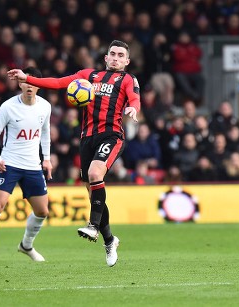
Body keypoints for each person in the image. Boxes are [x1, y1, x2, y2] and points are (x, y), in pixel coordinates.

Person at [8, 40, 141, 267]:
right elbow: (58, 82)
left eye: (121, 55)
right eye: (113, 54)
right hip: (87, 139)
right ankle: (109, 240)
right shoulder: (88, 75)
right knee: (94, 192)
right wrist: (27, 78)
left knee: (96, 173)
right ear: (106, 58)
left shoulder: (127, 79)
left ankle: (92, 226)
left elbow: (134, 97)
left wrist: (133, 108)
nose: (116, 58)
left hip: (111, 135)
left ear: (127, 61)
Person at [0, 67, 52, 264]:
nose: (29, 86)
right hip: (10, 164)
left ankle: (26, 245)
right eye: (25, 82)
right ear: (20, 83)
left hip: (33, 165)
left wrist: (47, 158)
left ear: (39, 86)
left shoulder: (45, 107)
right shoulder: (8, 107)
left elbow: (45, 133)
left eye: (33, 83)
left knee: (42, 211)